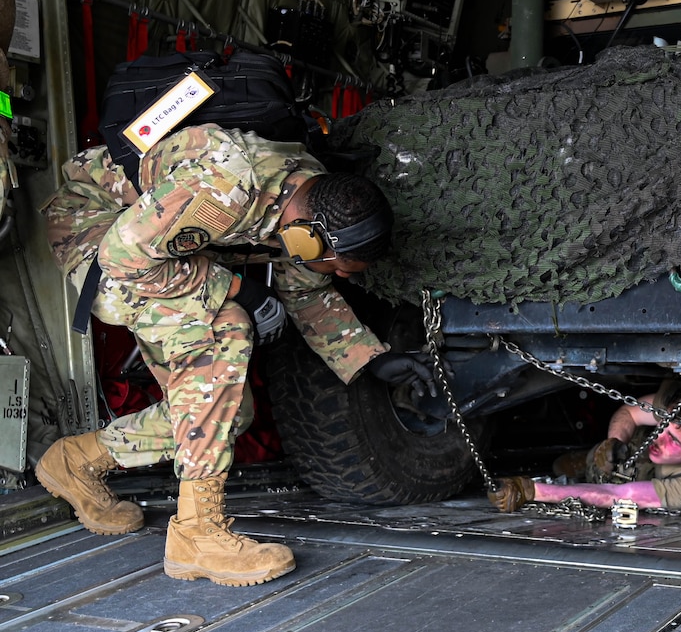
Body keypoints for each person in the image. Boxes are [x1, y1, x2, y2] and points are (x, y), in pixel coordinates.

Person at [36, 124, 434, 587]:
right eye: (337, 265)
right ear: (308, 238)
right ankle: (197, 535)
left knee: (226, 415)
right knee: (224, 325)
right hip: (97, 228)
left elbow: (308, 293)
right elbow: (124, 259)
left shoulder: (310, 202)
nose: (335, 274)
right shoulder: (225, 184)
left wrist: (370, 359)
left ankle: (77, 459)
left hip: (148, 244)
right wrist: (237, 290)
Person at [488, 384, 681, 513]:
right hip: (664, 462)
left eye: (674, 441)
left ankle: (587, 472)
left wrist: (531, 490)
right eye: (662, 427)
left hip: (671, 481)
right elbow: (629, 413)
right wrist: (612, 445)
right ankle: (590, 459)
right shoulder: (680, 409)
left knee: (631, 476)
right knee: (632, 441)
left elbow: (619, 494)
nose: (660, 438)